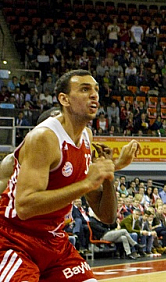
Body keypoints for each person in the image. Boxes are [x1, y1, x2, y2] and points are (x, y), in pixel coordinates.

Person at [0, 69, 139, 279]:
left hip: (55, 241)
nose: (94, 95)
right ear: (64, 100)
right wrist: (87, 183)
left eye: (96, 90)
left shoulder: (86, 138)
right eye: (84, 89)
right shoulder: (41, 138)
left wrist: (109, 171)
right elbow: (25, 207)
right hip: (15, 240)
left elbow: (107, 216)